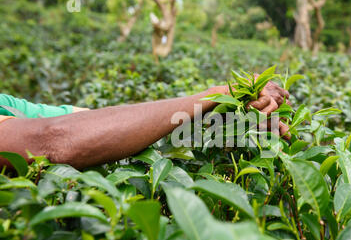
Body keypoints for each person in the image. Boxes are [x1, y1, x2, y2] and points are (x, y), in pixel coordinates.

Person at [0, 79, 290, 170]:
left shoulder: (9, 105)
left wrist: (224, 117)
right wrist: (218, 94)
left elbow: (94, 124)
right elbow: (53, 140)